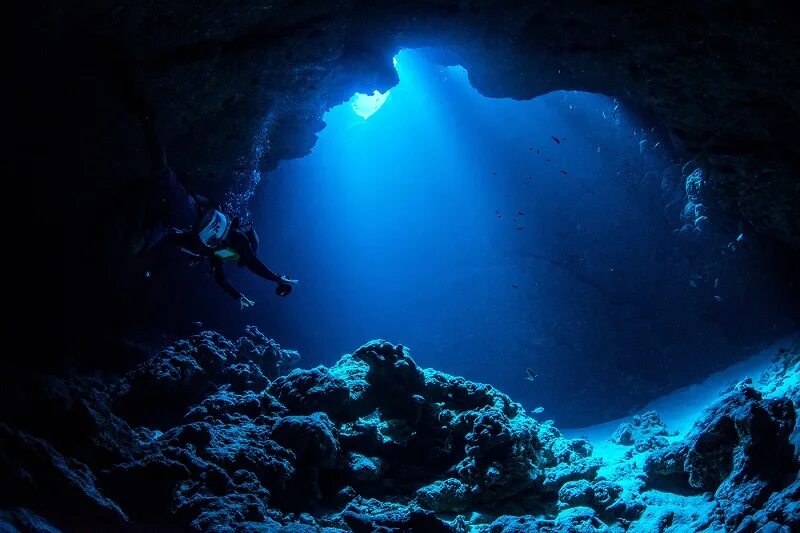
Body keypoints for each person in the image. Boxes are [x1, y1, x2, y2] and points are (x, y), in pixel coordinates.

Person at [132, 114, 296, 308]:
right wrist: (276, 278)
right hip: (186, 216)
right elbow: (253, 264)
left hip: (178, 223)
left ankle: (147, 130)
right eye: (247, 254)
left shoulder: (223, 252)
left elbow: (222, 279)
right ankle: (148, 121)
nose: (243, 260)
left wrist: (237, 296)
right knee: (161, 173)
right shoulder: (237, 239)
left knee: (159, 182)